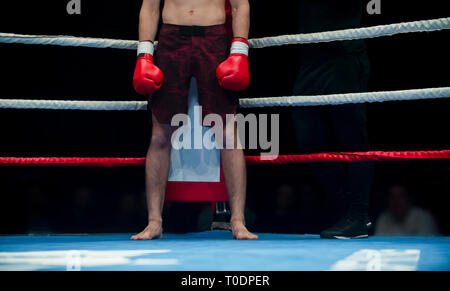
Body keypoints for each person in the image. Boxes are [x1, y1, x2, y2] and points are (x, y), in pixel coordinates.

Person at [131, 0, 257, 240]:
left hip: (214, 37)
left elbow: (241, 5)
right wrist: (143, 56)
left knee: (228, 132)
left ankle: (238, 221)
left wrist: (239, 51)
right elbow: (149, 7)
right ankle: (154, 222)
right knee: (160, 134)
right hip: (171, 39)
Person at [292, 0, 374, 239]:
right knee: (308, 143)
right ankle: (349, 209)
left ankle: (358, 216)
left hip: (344, 55)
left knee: (354, 140)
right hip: (310, 60)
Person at [375, 184, 440, 236]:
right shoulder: (383, 218)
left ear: (409, 199)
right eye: (392, 197)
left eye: (401, 196)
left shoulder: (423, 217)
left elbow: (428, 246)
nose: (396, 201)